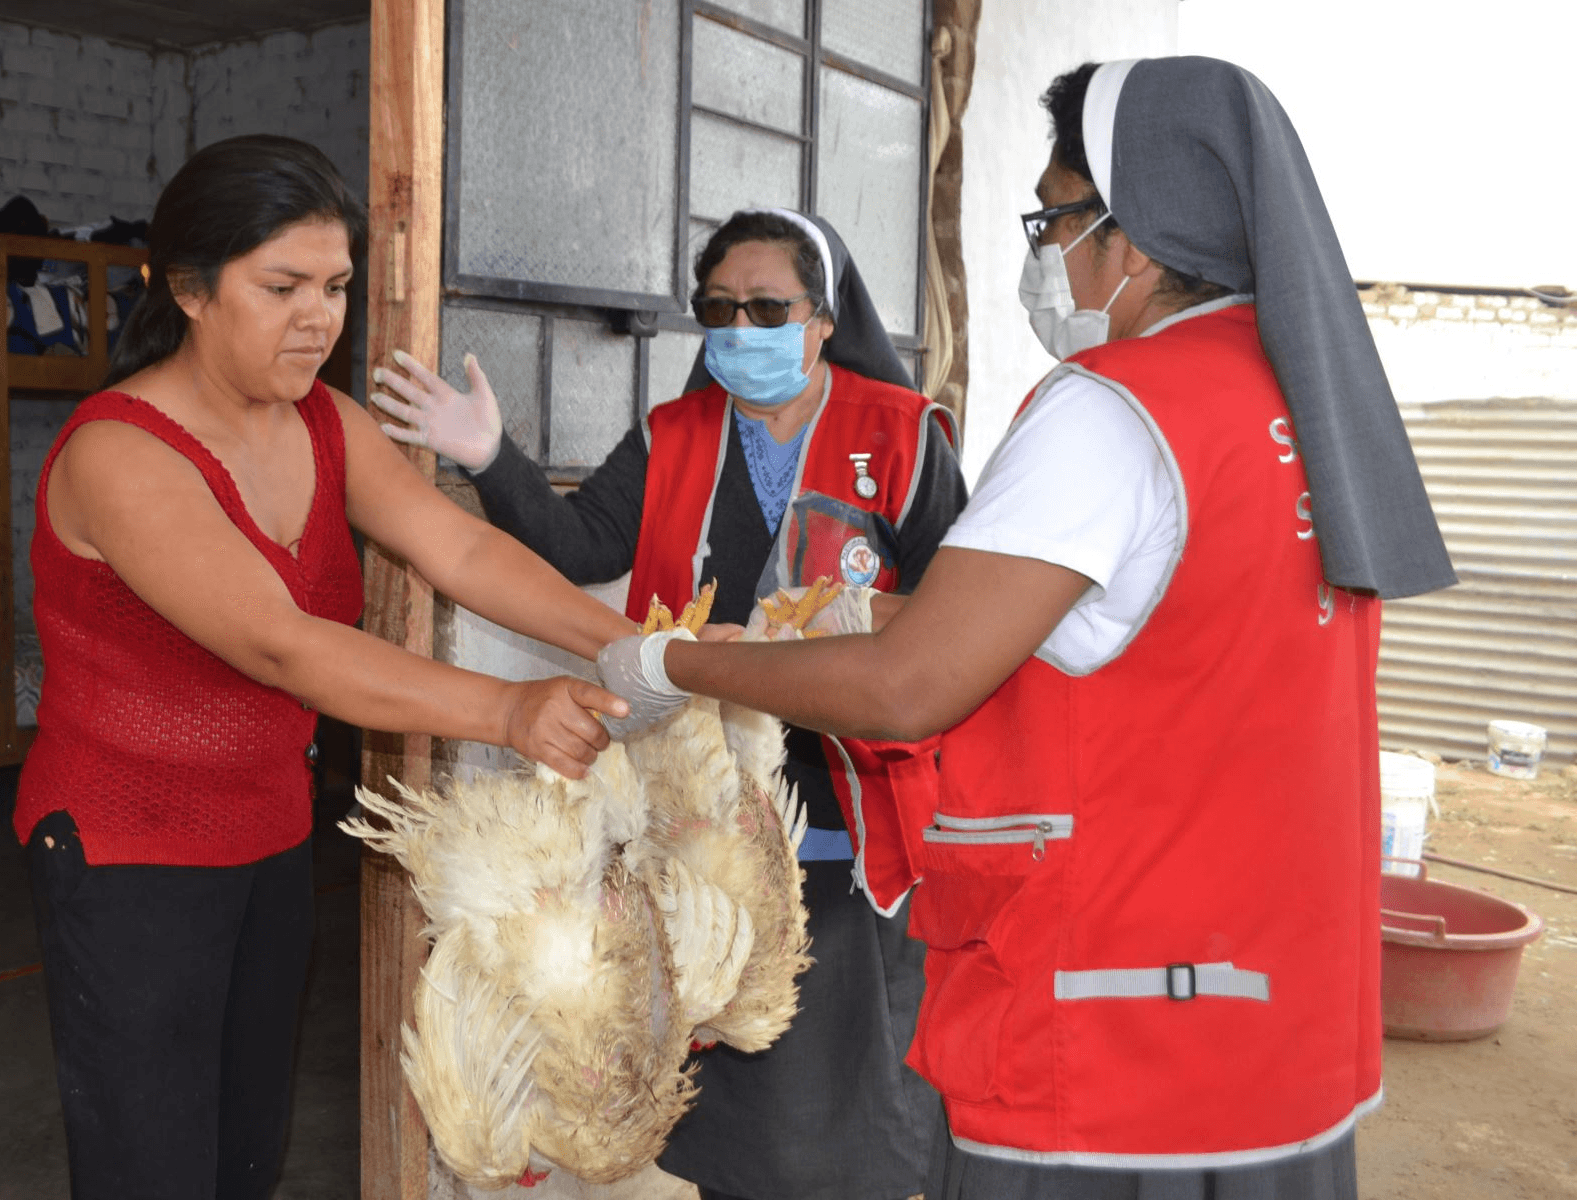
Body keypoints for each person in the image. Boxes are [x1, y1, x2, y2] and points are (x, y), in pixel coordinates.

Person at [596, 59, 1457, 1200]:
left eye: (1052, 218)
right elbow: (1127, 629)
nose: (1042, 251)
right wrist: (865, 614)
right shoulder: (1291, 396)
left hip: (1110, 1031)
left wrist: (675, 660)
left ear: (1130, 239)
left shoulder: (1113, 408)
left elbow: (909, 688)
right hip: (1270, 1025)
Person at [13, 134, 639, 1200]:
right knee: (149, 1169)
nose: (318, 317)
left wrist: (628, 644)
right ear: (190, 290)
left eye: (337, 287)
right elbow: (282, 643)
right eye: (282, 287)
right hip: (126, 856)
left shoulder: (326, 424)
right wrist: (508, 710)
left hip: (269, 838)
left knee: (246, 1154)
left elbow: (461, 549)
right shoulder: (119, 452)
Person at [372, 208, 966, 1200]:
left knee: (839, 1094)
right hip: (705, 802)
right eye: (718, 308)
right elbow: (580, 548)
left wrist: (857, 627)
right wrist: (489, 455)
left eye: (767, 308)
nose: (740, 327)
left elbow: (960, 608)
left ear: (824, 319)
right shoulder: (672, 433)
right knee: (723, 1067)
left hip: (852, 802)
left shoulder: (901, 433)